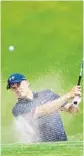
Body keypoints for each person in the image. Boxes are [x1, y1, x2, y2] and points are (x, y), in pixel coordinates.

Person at [7, 73, 81, 143]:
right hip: (42, 149)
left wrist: (75, 102)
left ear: (27, 83)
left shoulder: (47, 94)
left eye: (19, 84)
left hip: (62, 145)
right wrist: (68, 95)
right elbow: (44, 110)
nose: (17, 89)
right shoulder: (17, 109)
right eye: (13, 88)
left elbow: (72, 110)